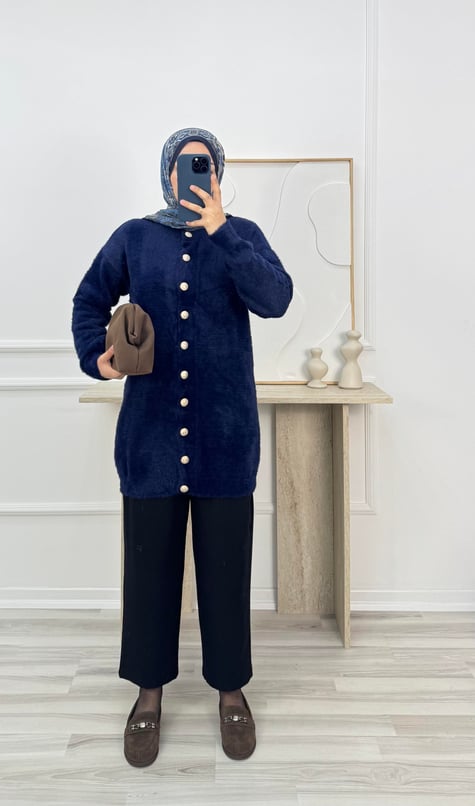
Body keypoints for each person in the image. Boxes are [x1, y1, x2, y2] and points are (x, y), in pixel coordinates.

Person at [71, 127, 293, 767]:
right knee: (149, 573)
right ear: (167, 173)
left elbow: (276, 300)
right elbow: (89, 300)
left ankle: (231, 692)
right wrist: (98, 357)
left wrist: (222, 232)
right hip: (151, 440)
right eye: (185, 165)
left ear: (218, 175)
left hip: (225, 440)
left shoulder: (242, 234)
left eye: (206, 165)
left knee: (226, 571)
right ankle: (148, 694)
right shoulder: (134, 237)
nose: (195, 175)